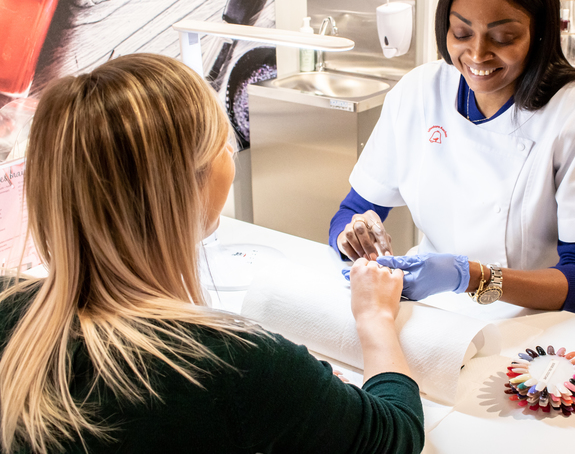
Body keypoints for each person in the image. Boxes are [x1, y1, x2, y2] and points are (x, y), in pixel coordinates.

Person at [0, 54, 423, 454]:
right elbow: (393, 434)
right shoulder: (231, 365)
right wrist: (374, 318)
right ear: (187, 187)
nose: (230, 150)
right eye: (222, 141)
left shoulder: (8, 306)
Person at [330, 0, 575, 314]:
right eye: (462, 33)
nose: (478, 54)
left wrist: (471, 277)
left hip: (529, 321)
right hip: (433, 308)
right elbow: (352, 209)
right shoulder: (420, 90)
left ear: (539, 34)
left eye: (503, 37)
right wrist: (352, 236)